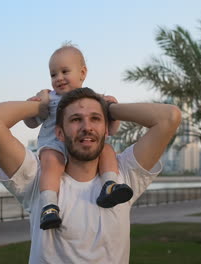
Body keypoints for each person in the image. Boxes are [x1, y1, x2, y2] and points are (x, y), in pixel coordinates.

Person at [0, 87, 181, 263]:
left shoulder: (123, 177)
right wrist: (39, 107)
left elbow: (170, 117)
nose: (87, 127)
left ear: (106, 129)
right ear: (59, 133)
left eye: (95, 119)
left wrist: (111, 109)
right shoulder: (38, 178)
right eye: (75, 119)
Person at [23, 44, 132, 230]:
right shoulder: (49, 98)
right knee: (50, 162)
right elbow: (31, 122)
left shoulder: (94, 99)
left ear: (82, 73)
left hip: (85, 146)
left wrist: (113, 108)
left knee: (107, 149)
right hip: (54, 146)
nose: (59, 78)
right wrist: (37, 105)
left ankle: (109, 185)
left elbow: (112, 130)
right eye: (53, 74)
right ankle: (49, 206)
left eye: (65, 71)